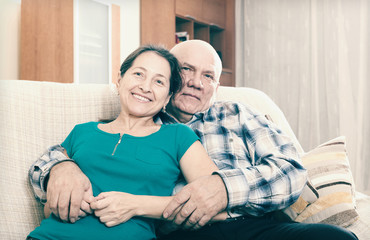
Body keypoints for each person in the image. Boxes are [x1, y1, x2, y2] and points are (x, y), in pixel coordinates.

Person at [29, 40, 357, 240]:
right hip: (186, 234)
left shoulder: (239, 114)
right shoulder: (148, 124)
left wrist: (225, 189)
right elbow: (63, 155)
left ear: (217, 84)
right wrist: (60, 166)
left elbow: (291, 171)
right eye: (187, 70)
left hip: (255, 225)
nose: (197, 83)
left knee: (335, 238)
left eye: (209, 76)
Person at [27, 45, 220, 240]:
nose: (145, 87)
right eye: (138, 74)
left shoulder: (179, 136)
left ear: (167, 98)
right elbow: (48, 207)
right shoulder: (82, 131)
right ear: (119, 81)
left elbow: (214, 202)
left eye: (159, 82)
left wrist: (135, 204)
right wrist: (66, 196)